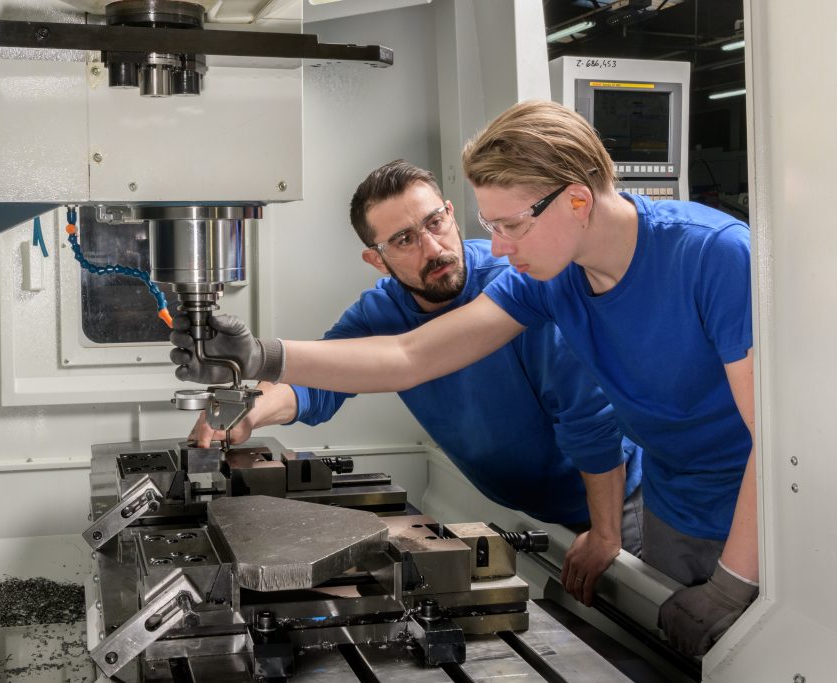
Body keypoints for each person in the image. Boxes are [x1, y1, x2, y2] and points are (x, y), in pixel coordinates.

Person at [171, 102, 757, 658]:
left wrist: (732, 585)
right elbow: (409, 356)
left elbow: (783, 446)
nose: (496, 247)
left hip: (758, 515)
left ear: (576, 202)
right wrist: (259, 357)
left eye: (509, 225)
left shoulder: (715, 257)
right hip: (675, 505)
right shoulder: (549, 275)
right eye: (487, 224)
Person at [177, 160, 644, 606]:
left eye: (435, 222)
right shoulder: (381, 313)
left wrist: (606, 531)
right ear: (376, 259)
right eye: (404, 240)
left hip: (624, 500)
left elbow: (589, 418)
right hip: (550, 513)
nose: (434, 249)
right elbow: (316, 383)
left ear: (452, 214)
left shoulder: (517, 287)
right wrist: (248, 413)